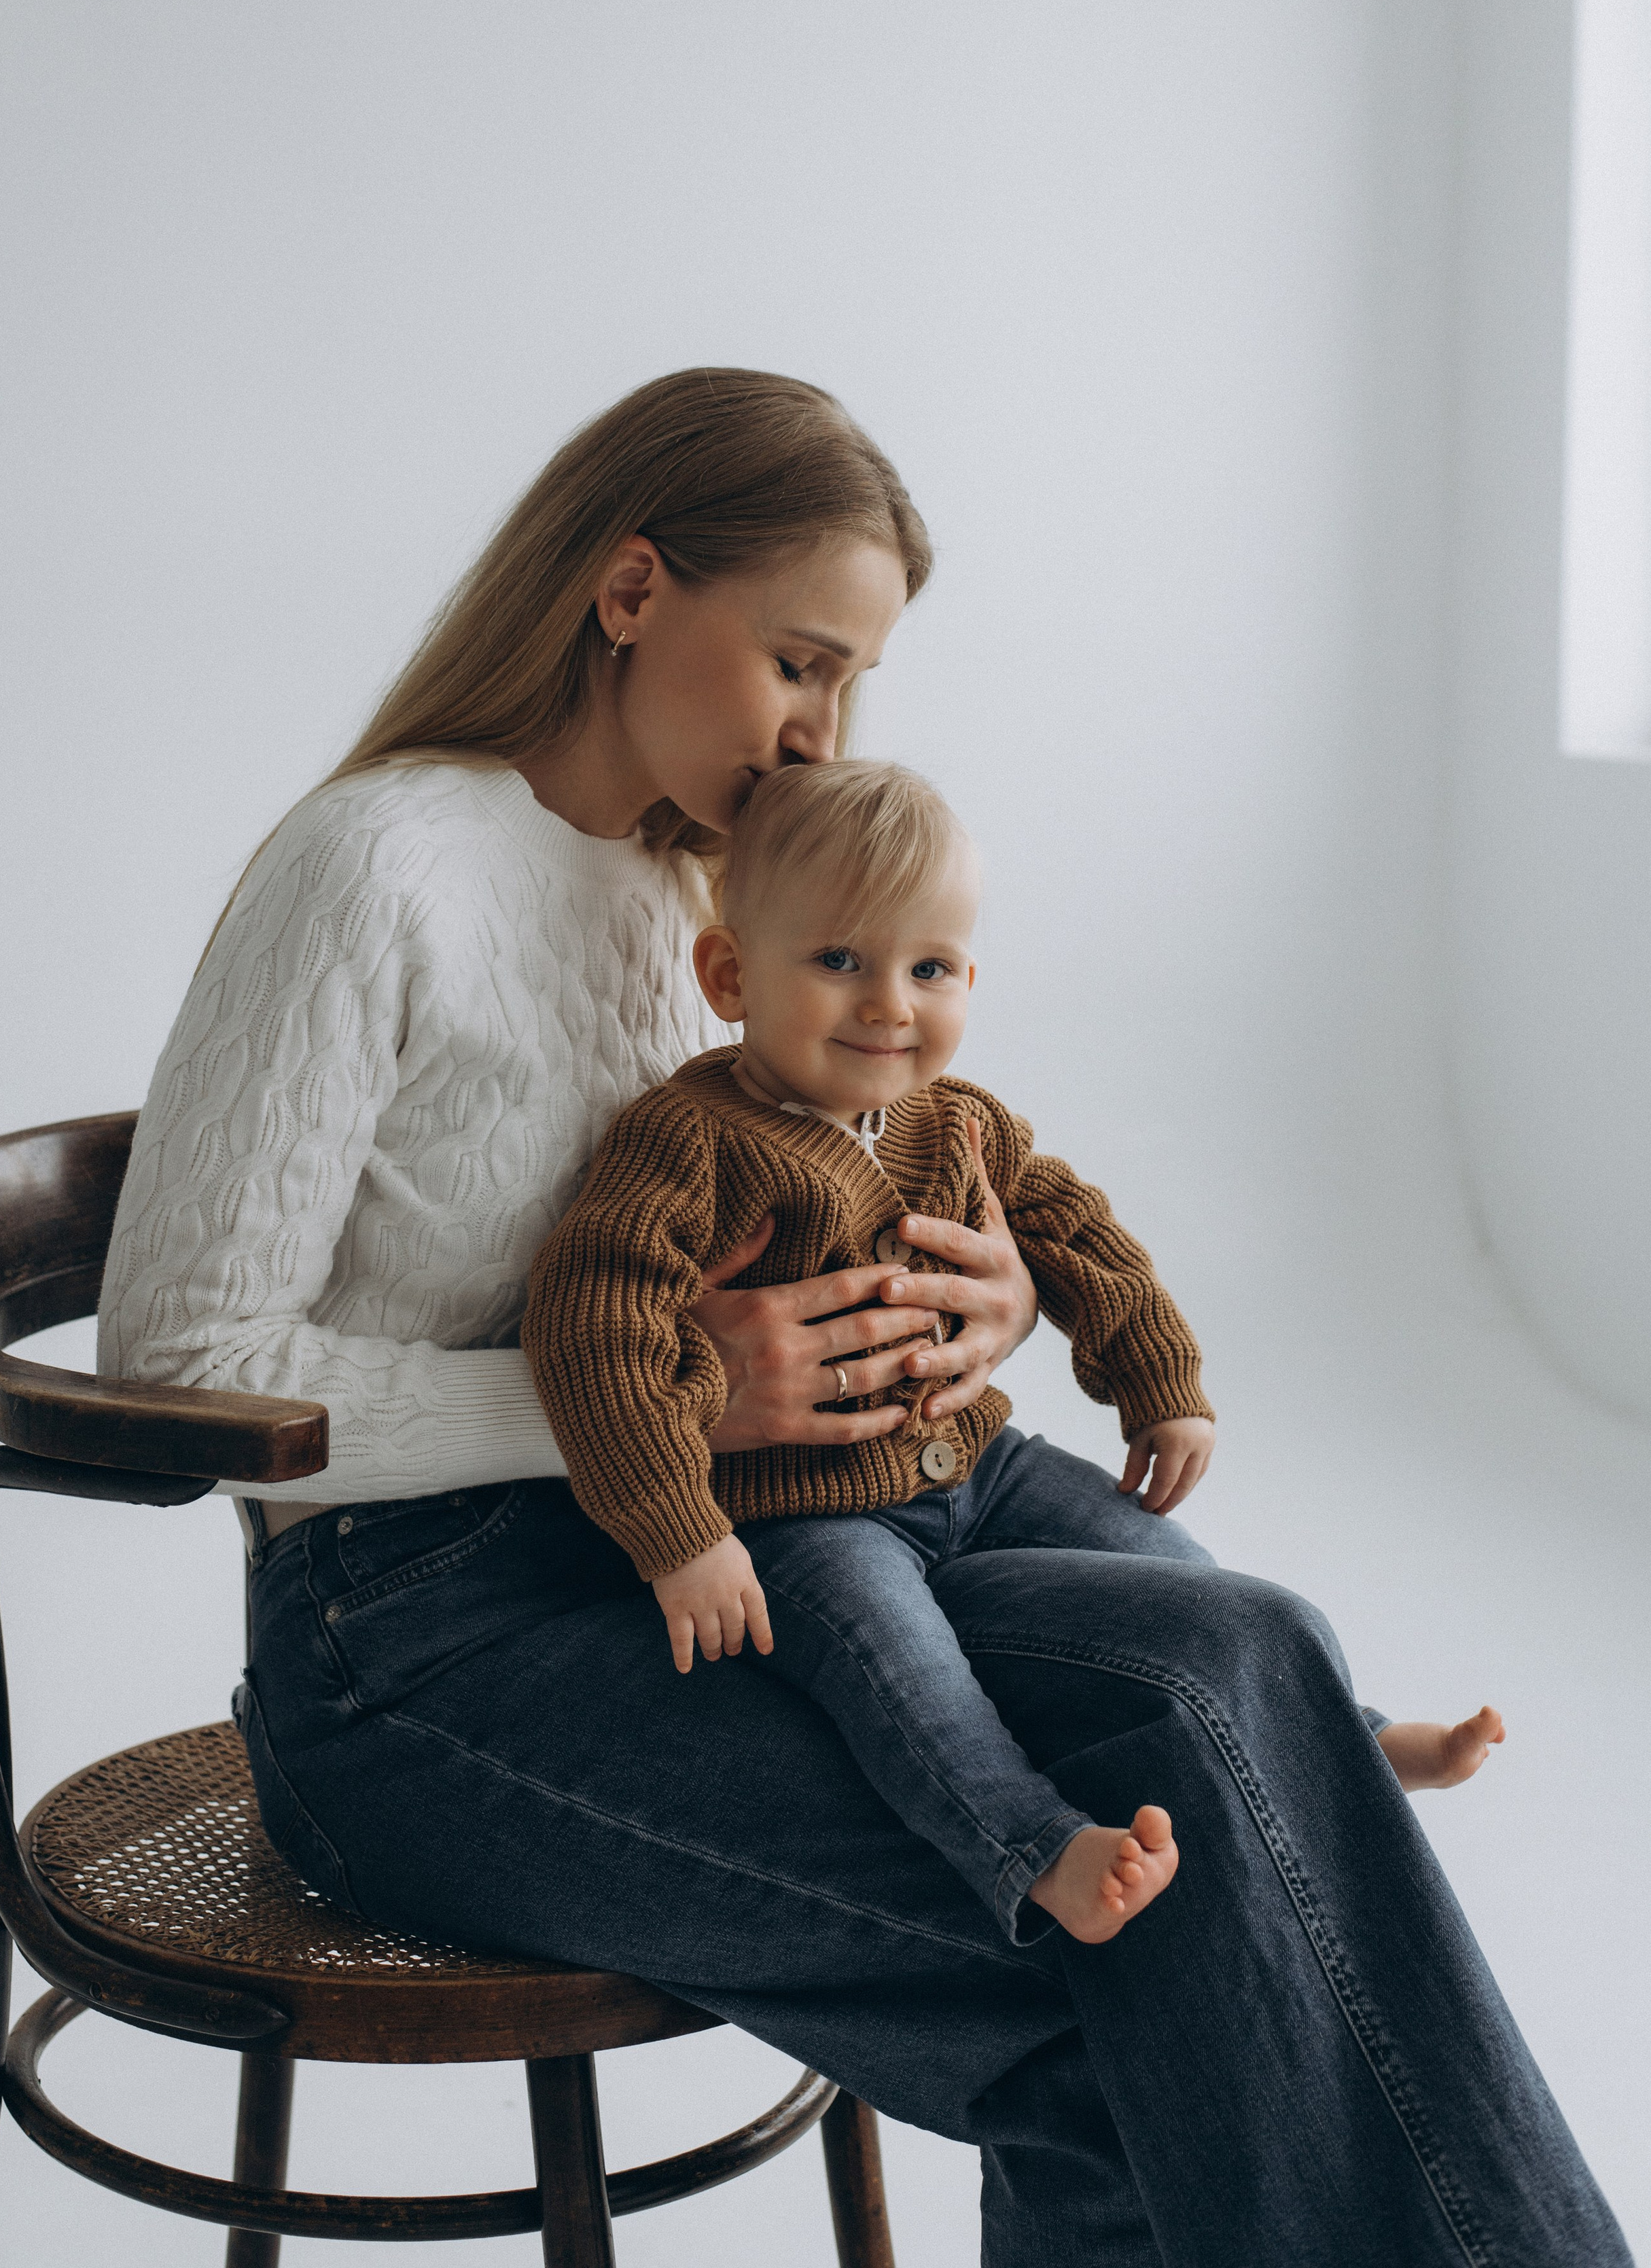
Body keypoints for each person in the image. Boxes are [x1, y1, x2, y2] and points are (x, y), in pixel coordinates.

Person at [97, 368, 1629, 2267]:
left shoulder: (702, 887)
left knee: (1231, 1655)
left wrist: (963, 1295)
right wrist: (659, 1408)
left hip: (775, 1542)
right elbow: (174, 1374)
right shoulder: (377, 869)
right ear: (632, 589)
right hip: (412, 1656)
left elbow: (810, 1180)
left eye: (853, 686)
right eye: (800, 663)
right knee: (1143, 1974)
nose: (822, 734)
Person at [522, 756, 1509, 1949]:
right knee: (901, 1672)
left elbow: (1072, 1232)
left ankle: (1344, 1733)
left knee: (1176, 1570)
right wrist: (680, 1533)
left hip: (982, 1472)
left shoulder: (960, 1122)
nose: (890, 1003)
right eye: (839, 961)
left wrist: (1157, 1380)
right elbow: (595, 1326)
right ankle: (1035, 1850)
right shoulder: (691, 1141)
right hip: (804, 1520)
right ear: (731, 974)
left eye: (928, 967)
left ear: (969, 977)